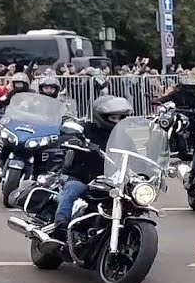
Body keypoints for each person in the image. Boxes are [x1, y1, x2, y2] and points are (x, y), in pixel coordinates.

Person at [40, 96, 133, 242]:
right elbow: (66, 135)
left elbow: (135, 155)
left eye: (121, 118)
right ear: (101, 117)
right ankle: (61, 229)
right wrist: (77, 141)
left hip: (112, 182)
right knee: (72, 191)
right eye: (113, 117)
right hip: (83, 177)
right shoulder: (87, 129)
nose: (118, 121)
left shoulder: (125, 137)